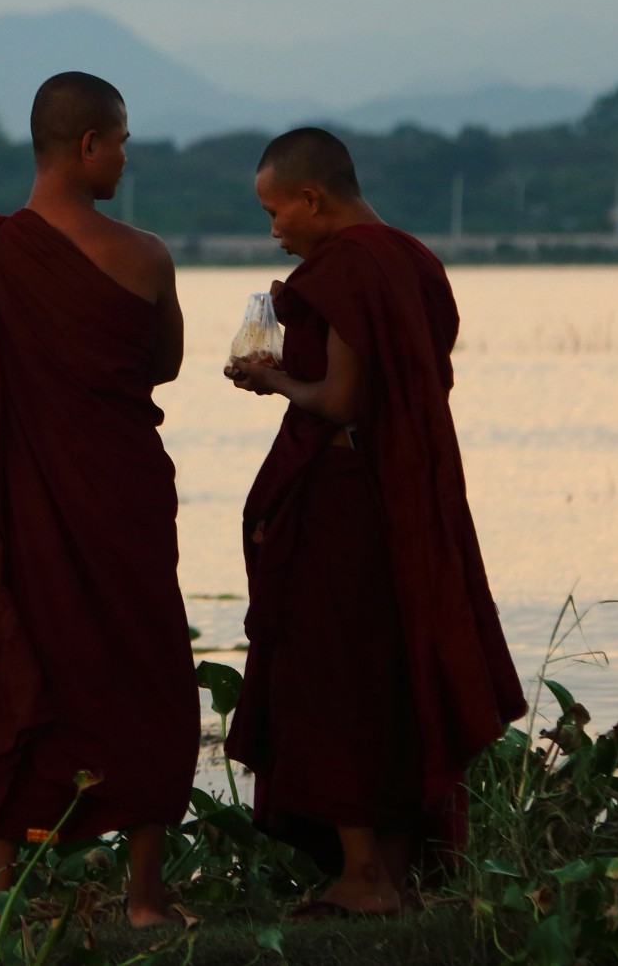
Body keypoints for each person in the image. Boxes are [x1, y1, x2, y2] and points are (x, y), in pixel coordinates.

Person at [221, 127, 524, 916]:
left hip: (348, 499)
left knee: (334, 672)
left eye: (276, 210)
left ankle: (361, 872)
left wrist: (275, 378)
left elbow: (344, 399)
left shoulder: (349, 269)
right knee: (392, 666)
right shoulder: (414, 259)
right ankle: (389, 867)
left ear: (313, 198)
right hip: (407, 491)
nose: (274, 228)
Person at [0, 71, 198, 928]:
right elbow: (161, 365)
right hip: (118, 500)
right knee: (147, 668)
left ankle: (0, 886)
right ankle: (146, 897)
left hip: (18, 510)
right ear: (89, 145)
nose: (126, 155)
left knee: (15, 655)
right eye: (120, 140)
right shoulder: (144, 254)